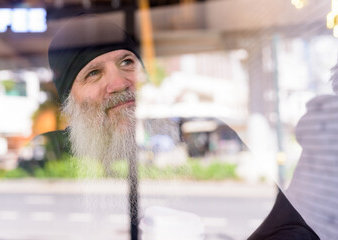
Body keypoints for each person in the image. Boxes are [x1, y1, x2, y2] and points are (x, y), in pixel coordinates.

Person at [40, 13, 320, 240]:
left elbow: (289, 230)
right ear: (69, 101)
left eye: (127, 62)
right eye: (93, 73)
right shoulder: (46, 157)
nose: (119, 83)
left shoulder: (183, 139)